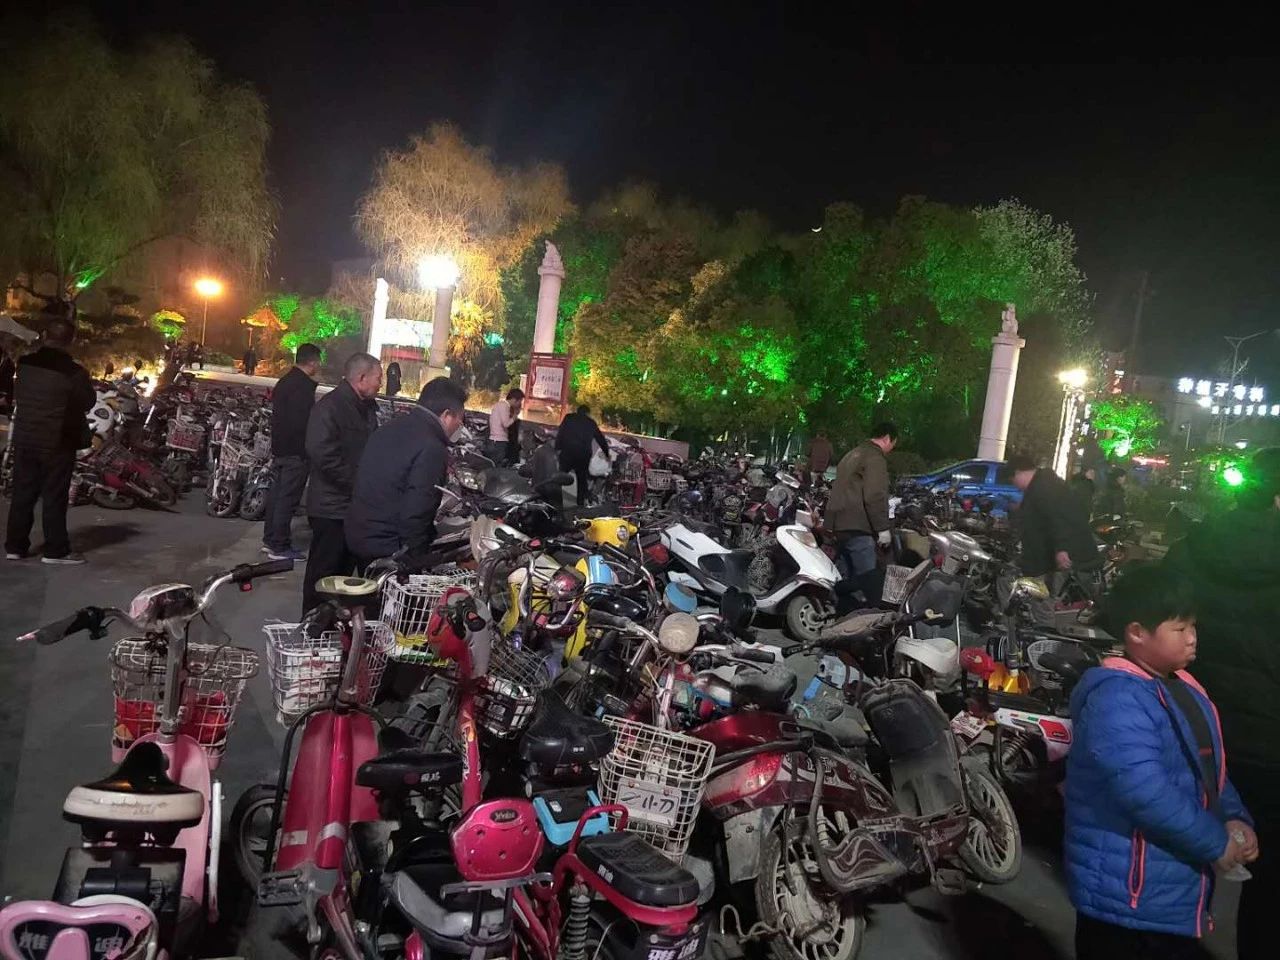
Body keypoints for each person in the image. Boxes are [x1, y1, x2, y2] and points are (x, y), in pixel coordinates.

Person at [1065, 563, 1256, 959]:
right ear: (1137, 633)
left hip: (1165, 884)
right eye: (1180, 628)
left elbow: (1207, 765)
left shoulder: (1181, 685)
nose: (1193, 638)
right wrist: (1215, 841)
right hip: (1125, 896)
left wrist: (1234, 816)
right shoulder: (1117, 698)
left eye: (1193, 626)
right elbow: (1144, 791)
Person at [1166, 448, 1280, 960]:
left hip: (1198, 727)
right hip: (1271, 743)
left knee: (1181, 852)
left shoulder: (1194, 545)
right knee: (1270, 883)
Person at [347, 377, 467, 569]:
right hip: (388, 545)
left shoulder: (388, 428)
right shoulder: (432, 447)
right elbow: (418, 508)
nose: (459, 426)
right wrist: (416, 557)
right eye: (460, 419)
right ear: (447, 415)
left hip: (358, 531)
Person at [4, 317, 95, 564]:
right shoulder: (74, 372)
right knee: (54, 496)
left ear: (44, 335)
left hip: (25, 437)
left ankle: (15, 546)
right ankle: (56, 550)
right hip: (58, 441)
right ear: (71, 340)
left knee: (22, 492)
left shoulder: (25, 363)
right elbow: (87, 401)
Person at [301, 352, 382, 614]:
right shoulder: (331, 407)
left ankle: (336, 625)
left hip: (352, 508)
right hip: (331, 508)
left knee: (345, 578)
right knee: (323, 574)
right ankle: (311, 623)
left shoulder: (366, 408)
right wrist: (357, 483)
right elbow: (322, 453)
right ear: (361, 378)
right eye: (378, 378)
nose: (381, 384)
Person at [261, 343, 321, 561]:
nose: (319, 366)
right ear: (312, 362)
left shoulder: (285, 381)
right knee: (287, 499)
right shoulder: (302, 387)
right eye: (318, 362)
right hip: (296, 452)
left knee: (277, 496)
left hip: (280, 449)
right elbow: (301, 423)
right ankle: (279, 545)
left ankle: (270, 539)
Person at [826, 422, 896, 607]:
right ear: (887, 438)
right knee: (869, 584)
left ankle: (841, 614)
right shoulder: (874, 457)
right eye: (893, 444)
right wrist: (882, 528)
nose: (891, 450)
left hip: (838, 526)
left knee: (847, 581)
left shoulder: (851, 454)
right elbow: (874, 495)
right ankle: (871, 619)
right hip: (858, 528)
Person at [1005, 453, 1099, 582]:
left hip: (1061, 560)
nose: (1015, 485)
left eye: (1012, 481)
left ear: (1018, 473)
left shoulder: (1045, 487)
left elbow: (1058, 518)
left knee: (1050, 592)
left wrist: (1062, 549)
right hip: (1044, 558)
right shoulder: (1040, 485)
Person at [555, 404, 610, 506]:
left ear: (577, 411)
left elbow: (561, 433)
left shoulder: (569, 418)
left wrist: (557, 448)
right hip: (583, 455)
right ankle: (580, 503)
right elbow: (600, 439)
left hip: (568, 452)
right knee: (581, 479)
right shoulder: (591, 423)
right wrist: (607, 454)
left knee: (560, 476)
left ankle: (555, 499)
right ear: (587, 413)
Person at [488, 388, 523, 465]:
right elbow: (506, 424)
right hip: (498, 442)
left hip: (493, 440)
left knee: (493, 465)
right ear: (514, 399)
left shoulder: (499, 405)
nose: (520, 404)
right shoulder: (505, 406)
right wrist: (515, 416)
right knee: (497, 467)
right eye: (520, 401)